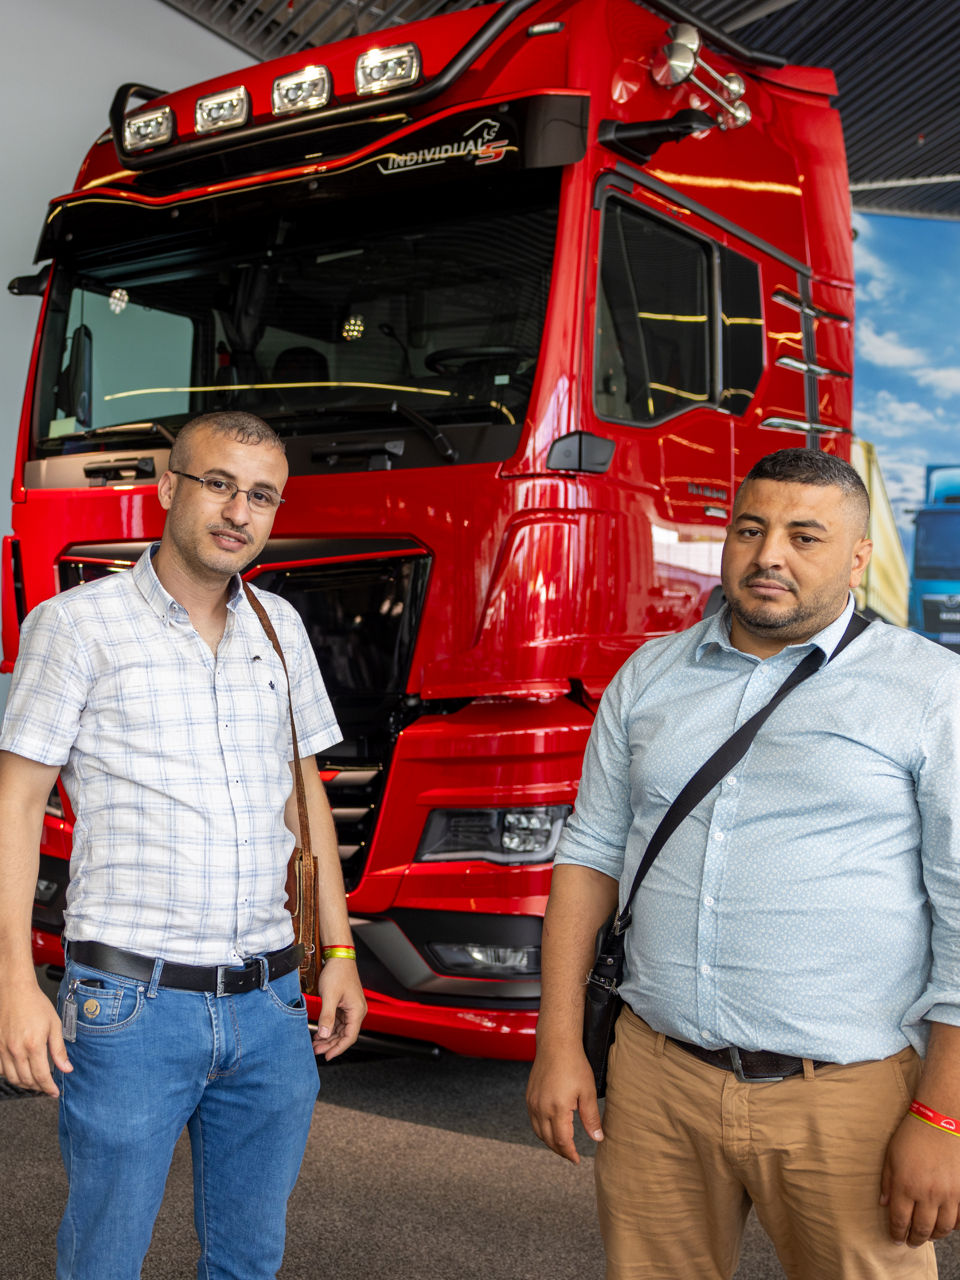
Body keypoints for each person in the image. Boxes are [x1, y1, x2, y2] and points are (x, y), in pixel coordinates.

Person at [527, 447, 960, 1279]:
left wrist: (942, 1116)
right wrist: (558, 1044)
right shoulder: (649, 676)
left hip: (848, 1093)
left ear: (859, 558)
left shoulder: (930, 691)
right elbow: (587, 856)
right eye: (751, 529)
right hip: (657, 1080)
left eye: (806, 536)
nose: (770, 556)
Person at [0, 411, 366, 1280]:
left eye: (262, 495)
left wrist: (339, 949)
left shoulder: (280, 628)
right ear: (168, 487)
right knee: (104, 1260)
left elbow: (303, 794)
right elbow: (15, 804)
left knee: (248, 1261)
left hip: (271, 1005)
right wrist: (13, 981)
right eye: (218, 484)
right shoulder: (76, 626)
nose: (239, 511)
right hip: (131, 1007)